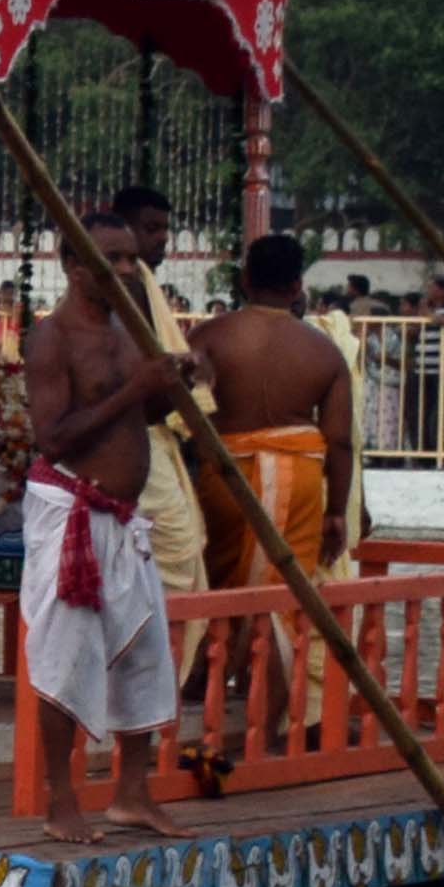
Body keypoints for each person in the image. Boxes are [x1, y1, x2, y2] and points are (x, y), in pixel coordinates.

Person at [20, 224, 194, 841]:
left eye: (129, 256)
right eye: (109, 258)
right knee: (67, 657)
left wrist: (169, 390)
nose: (125, 268)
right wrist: (137, 390)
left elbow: (140, 414)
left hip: (122, 516)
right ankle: (61, 804)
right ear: (72, 265)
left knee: (145, 654)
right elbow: (55, 437)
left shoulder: (127, 330)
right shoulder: (51, 338)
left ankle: (132, 794)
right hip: (71, 511)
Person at [196, 233, 354, 741]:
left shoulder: (209, 336)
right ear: (297, 285)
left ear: (244, 279)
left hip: (225, 474)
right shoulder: (323, 350)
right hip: (301, 479)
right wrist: (337, 514)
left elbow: (186, 420)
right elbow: (341, 442)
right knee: (286, 598)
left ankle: (206, 717)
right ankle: (283, 724)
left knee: (215, 593)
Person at [104, 187, 213, 592]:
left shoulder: (144, 285)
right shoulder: (124, 289)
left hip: (152, 439)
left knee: (173, 555)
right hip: (133, 440)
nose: (161, 238)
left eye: (165, 229)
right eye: (151, 228)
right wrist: (179, 376)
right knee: (175, 555)